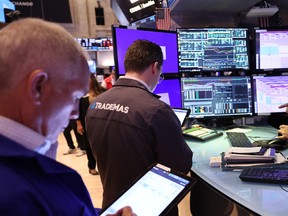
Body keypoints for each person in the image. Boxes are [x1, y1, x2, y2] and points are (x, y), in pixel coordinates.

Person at [0, 18, 134, 215]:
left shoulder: (23, 165)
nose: (74, 112)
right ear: (38, 87)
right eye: (75, 97)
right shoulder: (13, 198)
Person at [86, 39, 193, 215]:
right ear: (154, 67)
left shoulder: (95, 104)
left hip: (113, 207)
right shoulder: (157, 110)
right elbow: (181, 165)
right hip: (151, 208)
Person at [76, 73, 106, 175]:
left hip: (102, 123)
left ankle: (104, 166)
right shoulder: (80, 94)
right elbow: (77, 110)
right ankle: (91, 166)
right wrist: (79, 124)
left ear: (93, 79)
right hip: (87, 124)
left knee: (102, 146)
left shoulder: (102, 91)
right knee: (89, 146)